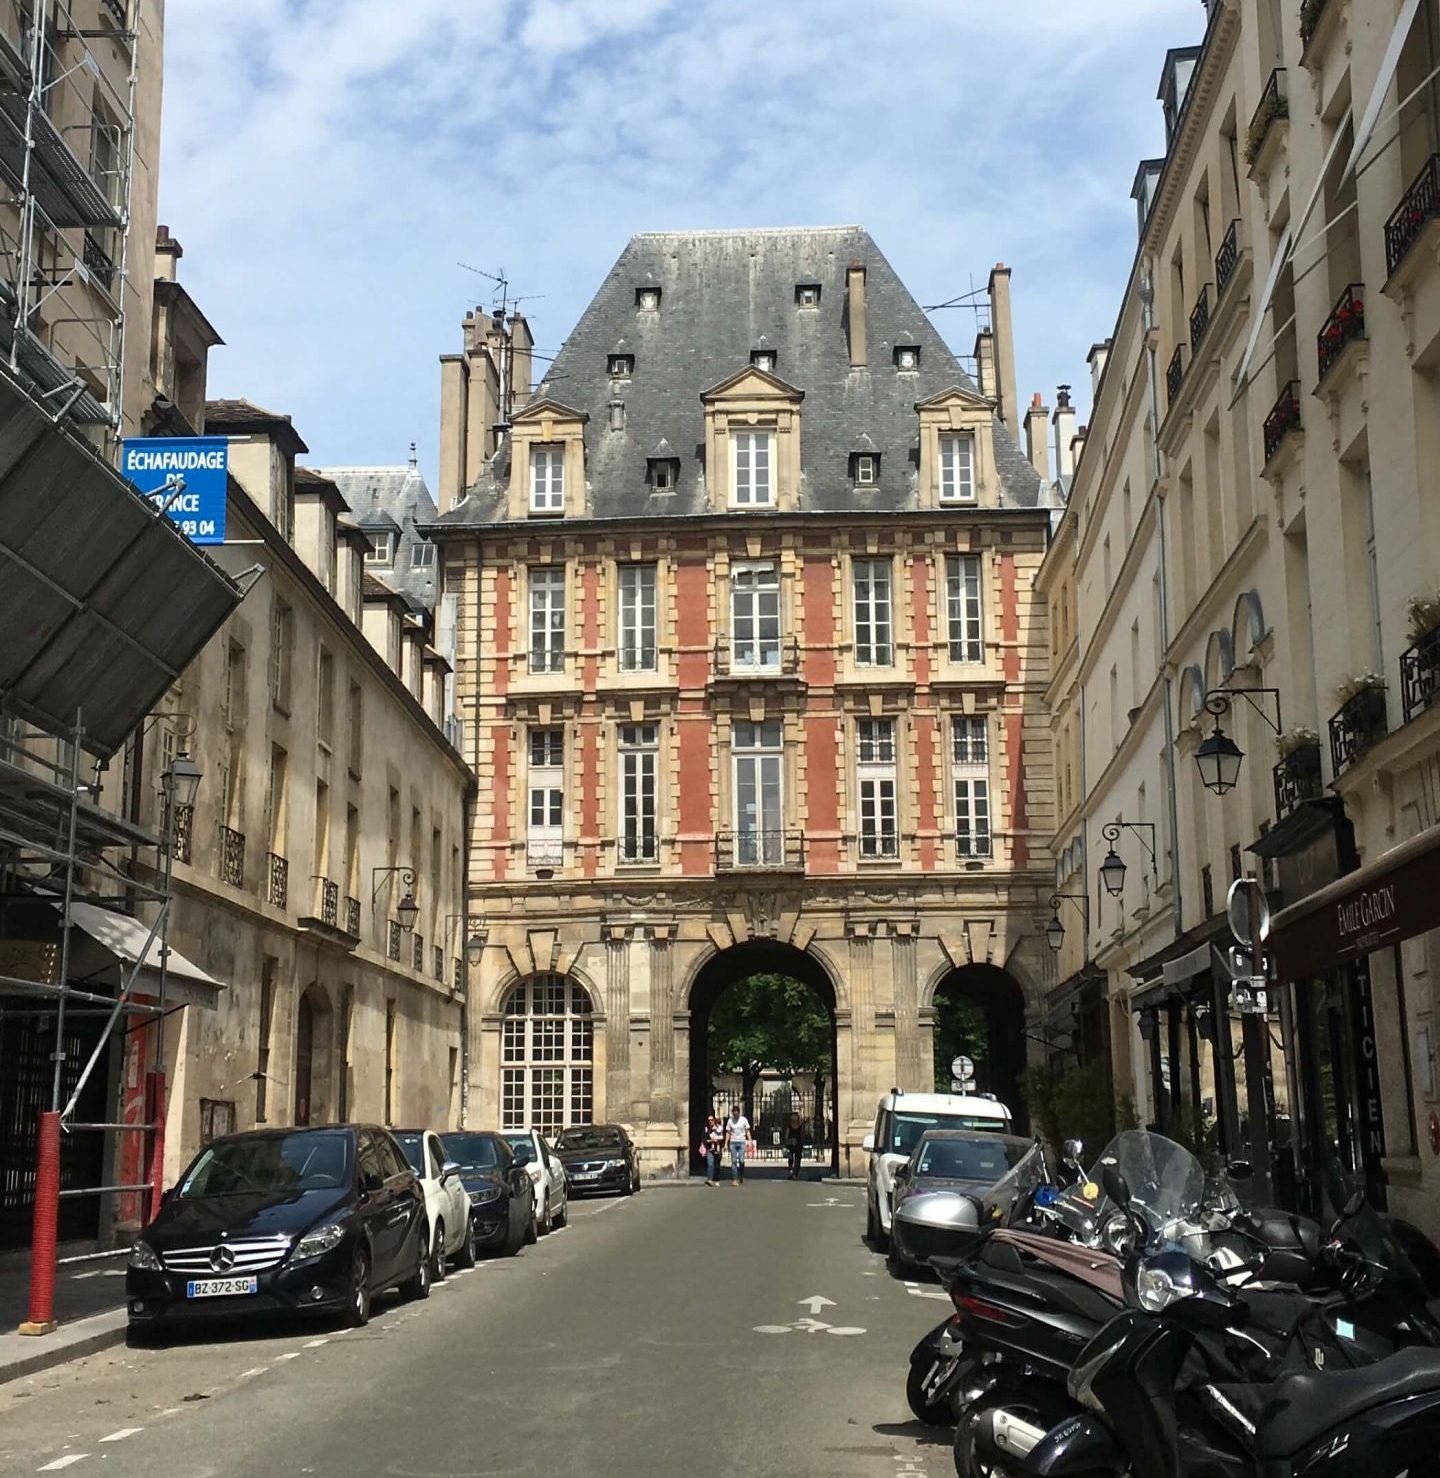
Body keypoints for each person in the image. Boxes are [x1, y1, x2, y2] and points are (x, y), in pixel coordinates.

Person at [726, 1104, 751, 1185]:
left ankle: (741, 1175)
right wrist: (726, 1143)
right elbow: (728, 1132)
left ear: (739, 1113)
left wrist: (750, 1140)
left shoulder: (743, 1120)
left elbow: (747, 1131)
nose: (735, 1115)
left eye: (736, 1113)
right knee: (733, 1161)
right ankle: (734, 1178)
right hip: (733, 1142)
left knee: (741, 1161)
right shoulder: (730, 1121)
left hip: (741, 1142)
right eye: (734, 1113)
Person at [701, 1114, 723, 1186]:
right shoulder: (706, 1129)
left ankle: (716, 1179)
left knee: (717, 1165)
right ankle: (709, 1179)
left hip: (718, 1149)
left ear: (714, 1120)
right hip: (710, 1149)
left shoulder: (719, 1128)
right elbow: (704, 1139)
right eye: (709, 1120)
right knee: (710, 1164)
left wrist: (717, 1139)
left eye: (712, 1120)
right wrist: (711, 1141)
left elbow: (722, 1137)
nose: (710, 1121)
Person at [785, 1111, 804, 1180]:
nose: (794, 1120)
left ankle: (795, 1174)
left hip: (798, 1145)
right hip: (791, 1145)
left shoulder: (800, 1127)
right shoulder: (789, 1127)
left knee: (797, 1160)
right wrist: (791, 1141)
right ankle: (791, 1172)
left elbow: (802, 1136)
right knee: (791, 1159)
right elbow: (786, 1137)